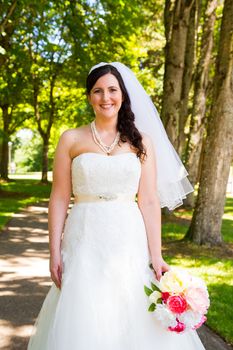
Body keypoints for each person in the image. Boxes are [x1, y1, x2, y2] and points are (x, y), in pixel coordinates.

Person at [27, 62, 205, 349]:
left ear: (123, 95)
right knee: (82, 306)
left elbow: (148, 200)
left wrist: (157, 256)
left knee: (130, 302)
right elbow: (59, 197)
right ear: (89, 96)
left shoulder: (141, 141)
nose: (105, 97)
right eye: (97, 91)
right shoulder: (71, 139)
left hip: (127, 234)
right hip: (83, 234)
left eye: (112, 90)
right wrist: (54, 252)